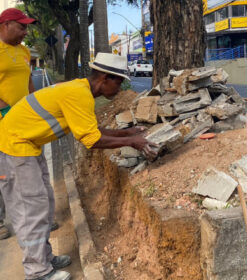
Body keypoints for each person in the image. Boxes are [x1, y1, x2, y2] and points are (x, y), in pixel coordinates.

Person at [0, 52, 158, 280]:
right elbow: (91, 140)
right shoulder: (79, 95)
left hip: (26, 145)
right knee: (30, 210)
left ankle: (43, 258)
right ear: (104, 78)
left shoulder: (79, 91)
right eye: (119, 81)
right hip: (14, 147)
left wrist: (126, 133)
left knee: (43, 202)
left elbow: (90, 130)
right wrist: (132, 141)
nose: (121, 88)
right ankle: (37, 272)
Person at [0, 8, 37, 240]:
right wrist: (5, 110)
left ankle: (35, 218)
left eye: (26, 27)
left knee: (26, 170)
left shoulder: (24, 51)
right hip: (3, 120)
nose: (25, 31)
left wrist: (35, 105)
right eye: (21, 26)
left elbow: (28, 79)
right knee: (3, 174)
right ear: (5, 25)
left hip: (22, 121)